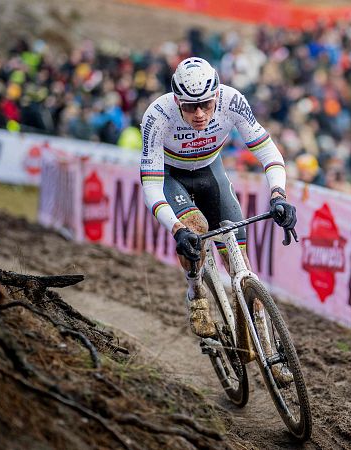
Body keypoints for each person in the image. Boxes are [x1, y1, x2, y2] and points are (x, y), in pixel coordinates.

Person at [140, 57, 297, 381]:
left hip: (211, 173)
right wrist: (177, 228)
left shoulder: (232, 101)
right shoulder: (158, 116)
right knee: (196, 229)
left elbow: (268, 151)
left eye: (205, 105)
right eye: (190, 107)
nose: (199, 114)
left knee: (239, 260)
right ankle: (195, 290)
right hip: (172, 177)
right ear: (176, 101)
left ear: (216, 96)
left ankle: (269, 350)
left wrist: (279, 195)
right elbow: (151, 185)